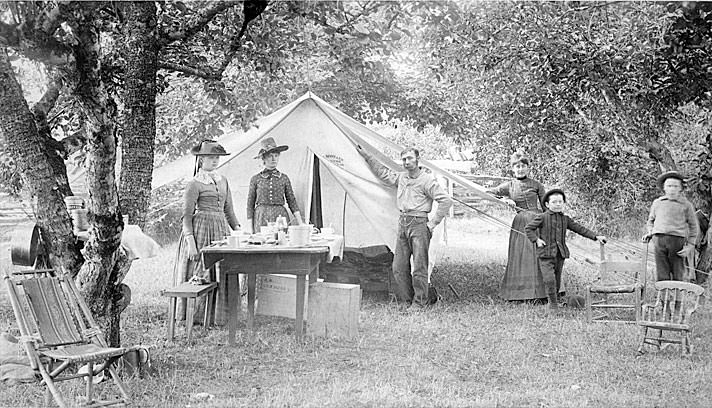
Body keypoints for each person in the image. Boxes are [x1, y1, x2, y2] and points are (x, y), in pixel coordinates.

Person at [357, 145, 453, 310]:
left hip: (419, 224)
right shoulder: (401, 177)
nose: (406, 162)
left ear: (417, 160)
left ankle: (420, 302)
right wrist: (368, 156)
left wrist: (432, 224)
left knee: (419, 266)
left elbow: (446, 201)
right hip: (403, 223)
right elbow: (384, 174)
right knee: (398, 267)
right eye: (404, 159)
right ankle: (406, 300)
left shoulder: (427, 180)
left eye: (410, 158)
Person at [173, 140, 240, 319]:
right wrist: (191, 243)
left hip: (221, 230)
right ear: (201, 159)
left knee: (223, 267)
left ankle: (221, 315)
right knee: (202, 270)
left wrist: (239, 230)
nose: (215, 161)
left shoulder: (223, 180)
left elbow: (229, 210)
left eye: (217, 157)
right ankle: (197, 316)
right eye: (211, 157)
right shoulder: (194, 183)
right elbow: (186, 216)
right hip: (201, 230)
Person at [524, 189, 607, 311]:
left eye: (560, 202)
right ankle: (552, 305)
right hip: (545, 255)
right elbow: (528, 228)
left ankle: (555, 302)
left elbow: (579, 229)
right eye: (554, 202)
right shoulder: (542, 217)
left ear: (563, 203)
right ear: (547, 204)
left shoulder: (565, 219)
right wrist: (537, 240)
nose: (558, 204)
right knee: (549, 280)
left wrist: (596, 236)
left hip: (560, 255)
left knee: (557, 280)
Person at [487, 151, 548, 301]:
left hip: (537, 222)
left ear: (528, 168)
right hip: (520, 223)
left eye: (523, 166)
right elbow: (488, 192)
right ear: (513, 169)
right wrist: (504, 199)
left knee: (539, 255)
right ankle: (521, 293)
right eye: (517, 166)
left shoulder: (537, 185)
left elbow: (546, 206)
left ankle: (543, 293)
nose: (520, 169)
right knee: (522, 257)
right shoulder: (509, 185)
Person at [642, 171, 698, 282]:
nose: (672, 189)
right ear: (664, 188)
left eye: (675, 186)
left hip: (677, 242)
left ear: (680, 188)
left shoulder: (686, 205)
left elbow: (694, 227)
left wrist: (690, 245)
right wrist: (650, 232)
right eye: (669, 186)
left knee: (678, 272)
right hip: (658, 240)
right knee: (662, 272)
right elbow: (650, 221)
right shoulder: (658, 203)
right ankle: (662, 298)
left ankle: (677, 299)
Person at [245, 137, 303, 233]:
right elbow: (250, 204)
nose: (273, 159)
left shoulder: (284, 178)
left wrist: (300, 223)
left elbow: (292, 201)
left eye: (276, 155)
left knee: (281, 242)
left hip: (280, 216)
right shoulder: (256, 179)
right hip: (261, 217)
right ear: (263, 158)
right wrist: (250, 228)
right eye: (270, 156)